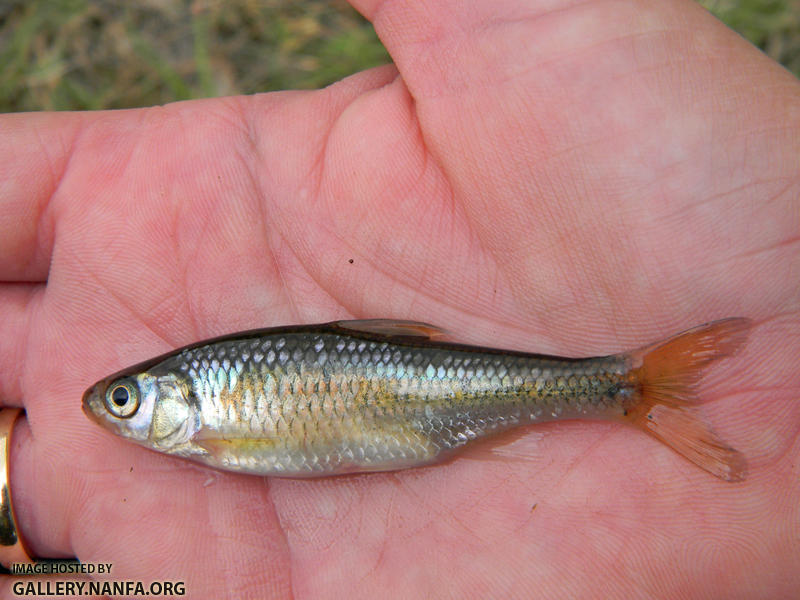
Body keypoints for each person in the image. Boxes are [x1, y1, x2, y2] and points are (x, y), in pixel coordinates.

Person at [0, 0, 798, 596]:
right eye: (124, 400)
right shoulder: (213, 419)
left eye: (127, 399)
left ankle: (624, 387)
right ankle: (619, 386)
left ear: (177, 394)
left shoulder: (214, 419)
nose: (118, 409)